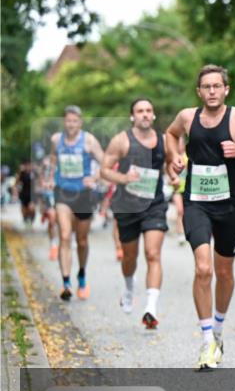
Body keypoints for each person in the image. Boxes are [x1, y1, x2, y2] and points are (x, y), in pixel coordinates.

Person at [165, 65, 235, 370]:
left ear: (226, 89)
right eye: (206, 87)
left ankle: (219, 330)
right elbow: (170, 134)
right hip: (196, 203)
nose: (212, 91)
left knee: (224, 272)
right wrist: (174, 157)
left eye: (216, 86)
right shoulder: (188, 117)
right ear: (199, 92)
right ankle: (207, 339)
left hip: (229, 206)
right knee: (203, 268)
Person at [101, 98, 169, 330]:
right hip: (127, 206)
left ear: (153, 115)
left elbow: (171, 164)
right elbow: (104, 170)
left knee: (153, 254)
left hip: (154, 205)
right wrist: (123, 178)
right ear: (132, 116)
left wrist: (175, 174)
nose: (145, 114)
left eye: (149, 110)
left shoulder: (164, 140)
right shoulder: (121, 141)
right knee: (130, 258)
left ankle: (151, 308)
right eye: (140, 111)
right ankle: (129, 288)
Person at [47, 105, 105, 301]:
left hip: (83, 195)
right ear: (64, 122)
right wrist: (50, 177)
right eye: (68, 121)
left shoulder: (89, 140)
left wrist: (94, 178)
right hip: (62, 193)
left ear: (80, 122)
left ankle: (81, 273)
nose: (71, 124)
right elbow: (53, 160)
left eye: (74, 121)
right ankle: (66, 283)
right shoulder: (56, 140)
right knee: (64, 235)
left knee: (82, 241)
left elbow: (106, 162)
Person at [171, 151, 188, 245]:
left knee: (187, 212)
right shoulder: (173, 155)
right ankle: (180, 234)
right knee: (180, 211)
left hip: (187, 189)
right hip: (177, 190)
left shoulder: (188, 155)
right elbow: (169, 171)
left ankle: (186, 231)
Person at [15, 162, 35, 228]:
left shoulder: (34, 173)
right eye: (27, 165)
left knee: (31, 208)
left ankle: (31, 220)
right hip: (24, 194)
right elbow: (17, 182)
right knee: (24, 209)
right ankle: (25, 219)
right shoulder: (22, 174)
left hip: (32, 194)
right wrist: (20, 171)